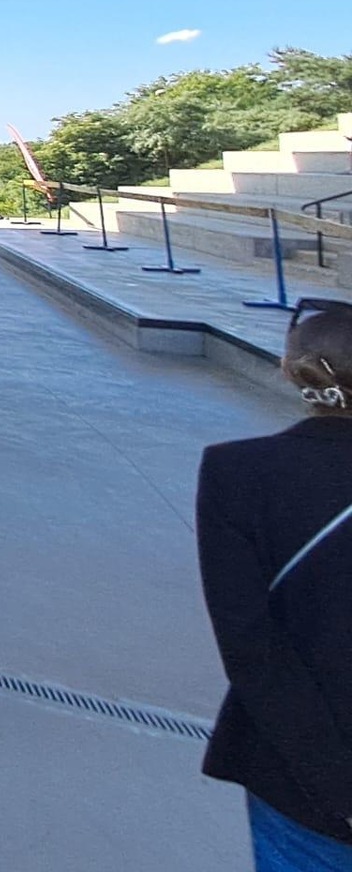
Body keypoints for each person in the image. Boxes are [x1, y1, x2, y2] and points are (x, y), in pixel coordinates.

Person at [198, 297, 352, 870]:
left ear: (291, 371)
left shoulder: (238, 474)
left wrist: (334, 786)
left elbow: (251, 645)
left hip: (306, 782)